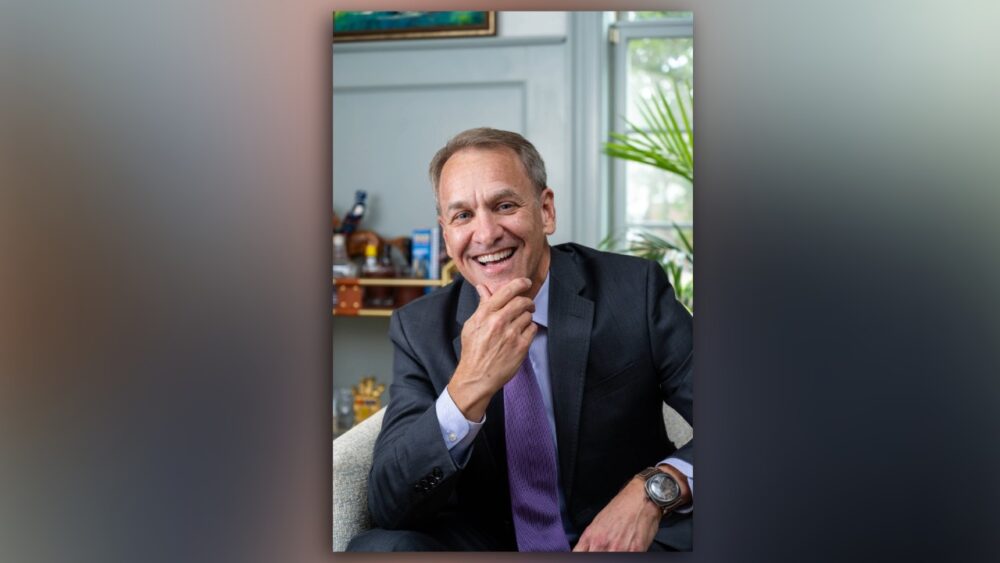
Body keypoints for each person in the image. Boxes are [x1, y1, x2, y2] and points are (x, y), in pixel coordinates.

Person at [346, 127, 693, 552]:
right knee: (378, 549)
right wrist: (468, 386)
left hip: (624, 538)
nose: (486, 234)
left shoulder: (633, 291)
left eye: (504, 205)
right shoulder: (419, 330)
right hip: (491, 542)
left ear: (545, 211)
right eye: (462, 216)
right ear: (446, 233)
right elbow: (391, 504)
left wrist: (655, 490)